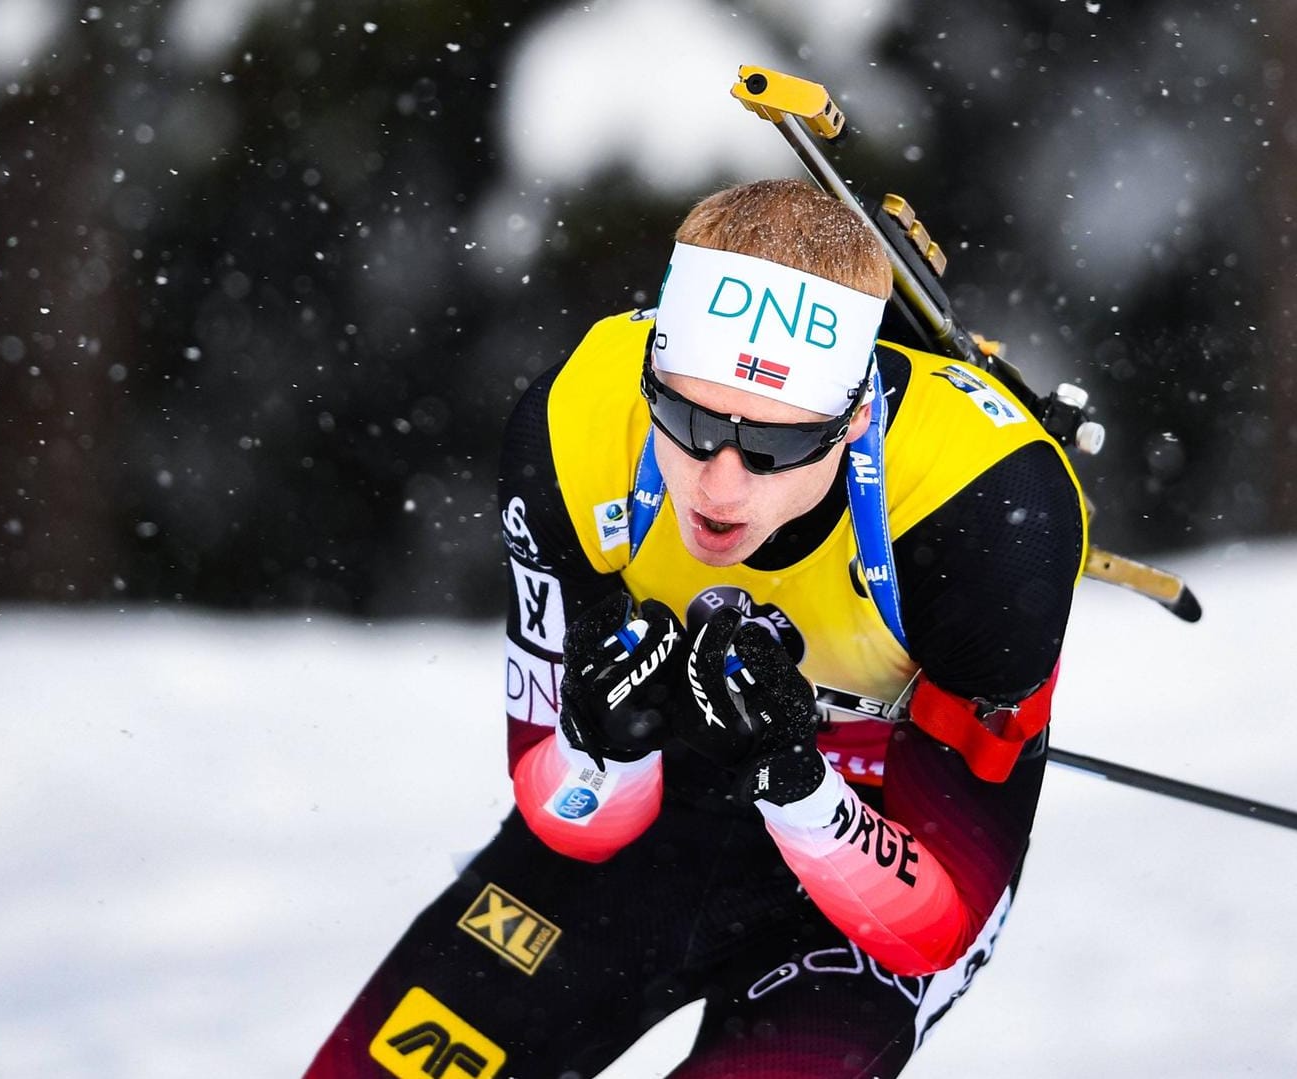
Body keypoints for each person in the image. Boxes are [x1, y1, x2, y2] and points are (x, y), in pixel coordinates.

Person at [305, 178, 1086, 1078]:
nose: (719, 487)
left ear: (856, 417)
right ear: (650, 380)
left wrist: (799, 786)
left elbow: (936, 922)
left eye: (775, 446)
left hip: (868, 849)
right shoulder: (575, 423)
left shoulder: (987, 509)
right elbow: (560, 812)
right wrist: (608, 747)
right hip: (658, 820)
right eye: (686, 421)